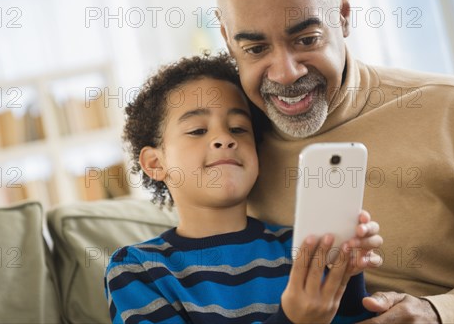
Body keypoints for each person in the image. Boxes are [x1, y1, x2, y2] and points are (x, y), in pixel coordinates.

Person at [214, 0, 454, 323]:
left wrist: (442, 312)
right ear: (226, 38)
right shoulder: (230, 149)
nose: (285, 74)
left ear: (343, 14)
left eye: (306, 39)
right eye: (255, 49)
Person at [105, 54, 383, 324]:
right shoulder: (137, 269)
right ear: (155, 162)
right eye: (197, 130)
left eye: (238, 128)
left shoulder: (302, 249)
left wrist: (348, 275)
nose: (224, 138)